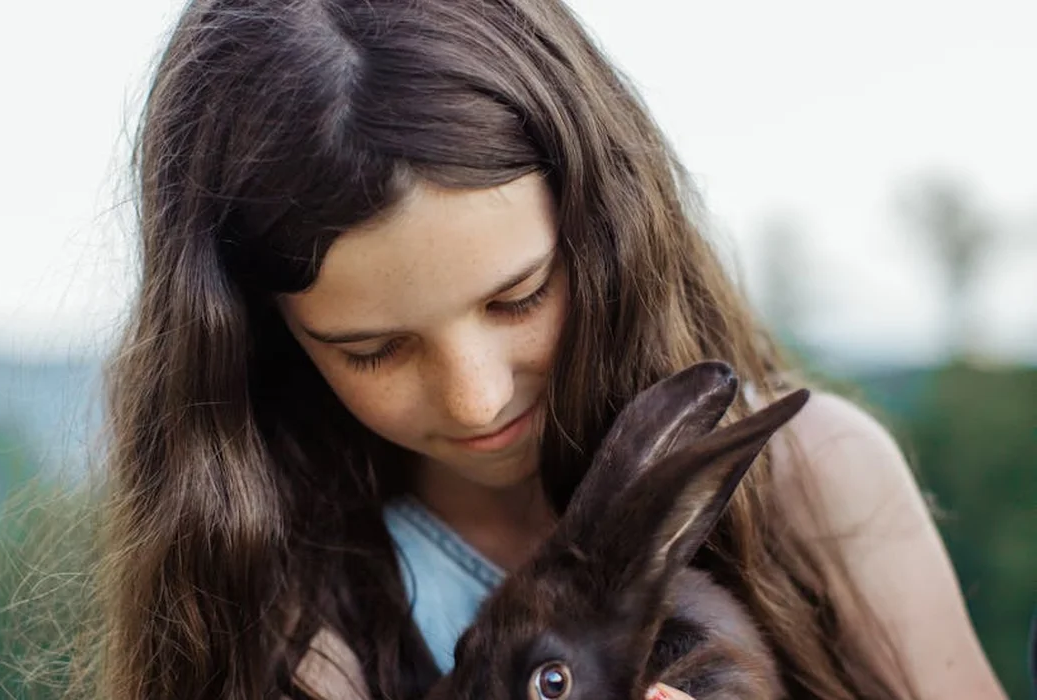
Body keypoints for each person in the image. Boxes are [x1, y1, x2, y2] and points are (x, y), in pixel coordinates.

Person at [89, 0, 1006, 698]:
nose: (477, 399)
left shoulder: (819, 480)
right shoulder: (291, 613)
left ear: (604, 230)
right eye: (373, 350)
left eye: (519, 297)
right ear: (266, 337)